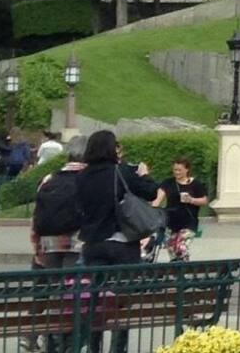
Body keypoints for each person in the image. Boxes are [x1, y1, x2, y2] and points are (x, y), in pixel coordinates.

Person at [75, 130, 157, 352]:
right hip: (121, 243)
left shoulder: (82, 176)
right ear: (112, 149)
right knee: (121, 303)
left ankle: (94, 347)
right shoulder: (120, 172)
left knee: (95, 301)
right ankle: (117, 348)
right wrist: (144, 174)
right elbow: (151, 192)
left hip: (93, 243)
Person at [28, 144, 86, 352]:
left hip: (48, 243)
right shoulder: (87, 179)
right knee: (70, 294)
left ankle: (41, 335)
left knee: (52, 291)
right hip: (75, 243)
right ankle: (59, 341)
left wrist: (36, 245)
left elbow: (37, 215)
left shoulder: (49, 178)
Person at [152, 158, 207, 262]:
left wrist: (191, 200)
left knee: (181, 247)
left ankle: (184, 271)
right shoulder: (168, 183)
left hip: (188, 222)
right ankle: (176, 273)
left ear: (187, 170)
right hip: (171, 222)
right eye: (175, 170)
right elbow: (158, 199)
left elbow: (204, 200)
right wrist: (151, 211)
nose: (177, 172)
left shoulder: (195, 184)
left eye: (179, 170)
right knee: (172, 249)